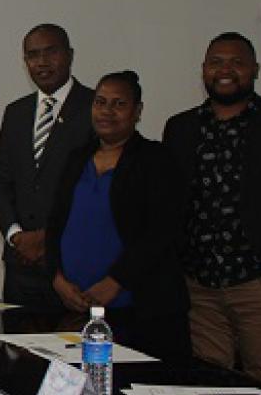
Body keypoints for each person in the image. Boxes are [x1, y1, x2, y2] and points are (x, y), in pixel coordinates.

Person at [163, 32, 261, 392]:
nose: (225, 70)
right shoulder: (181, 128)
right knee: (207, 387)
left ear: (255, 70)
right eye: (216, 61)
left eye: (236, 62)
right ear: (203, 70)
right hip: (200, 286)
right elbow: (169, 200)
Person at [45, 71, 190, 361]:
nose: (107, 112)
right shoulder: (77, 158)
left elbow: (161, 232)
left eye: (119, 104)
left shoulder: (155, 159)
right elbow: (56, 224)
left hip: (138, 310)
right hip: (74, 308)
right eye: (100, 102)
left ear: (137, 112)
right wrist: (57, 278)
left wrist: (115, 282)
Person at [0, 24, 95, 309]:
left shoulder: (96, 108)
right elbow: (0, 182)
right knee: (16, 350)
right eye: (33, 55)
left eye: (51, 52)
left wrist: (48, 238)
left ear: (70, 55)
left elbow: (95, 190)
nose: (42, 62)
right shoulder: (16, 112)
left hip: (71, 265)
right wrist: (16, 236)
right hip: (20, 265)